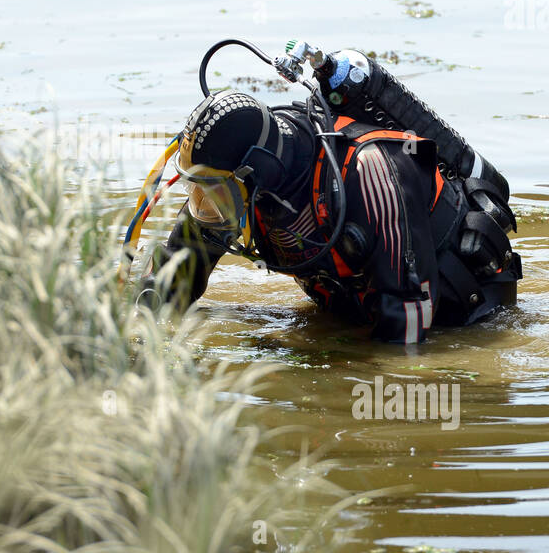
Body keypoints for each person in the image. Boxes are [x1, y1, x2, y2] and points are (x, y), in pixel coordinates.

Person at [139, 58, 521, 344]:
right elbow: (170, 282)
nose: (205, 206)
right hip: (352, 301)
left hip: (458, 315)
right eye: (197, 190)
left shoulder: (371, 171)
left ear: (257, 172)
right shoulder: (231, 183)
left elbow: (405, 327)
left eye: (213, 192)